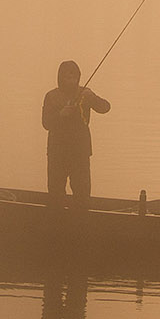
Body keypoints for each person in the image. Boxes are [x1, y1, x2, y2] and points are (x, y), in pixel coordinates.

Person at [42, 60, 111, 210]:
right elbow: (46, 123)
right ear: (61, 78)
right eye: (67, 77)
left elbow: (106, 107)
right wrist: (61, 114)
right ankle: (56, 223)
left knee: (82, 194)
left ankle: (81, 225)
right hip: (57, 153)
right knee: (55, 193)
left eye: (74, 76)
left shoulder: (85, 94)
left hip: (80, 152)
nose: (71, 80)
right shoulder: (51, 96)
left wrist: (92, 97)